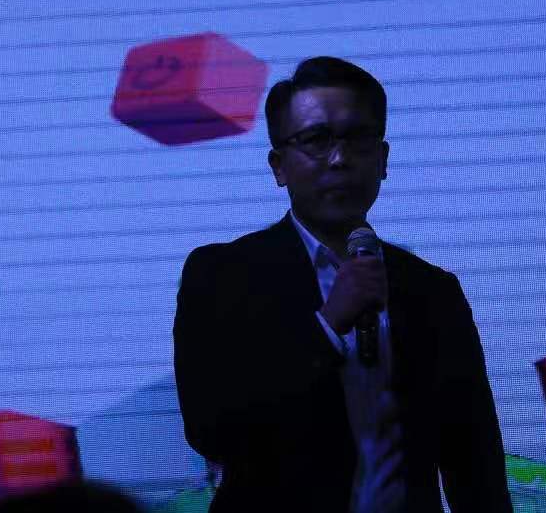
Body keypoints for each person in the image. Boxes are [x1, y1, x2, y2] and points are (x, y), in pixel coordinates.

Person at [173, 57, 513, 513]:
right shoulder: (222, 275)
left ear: (383, 160)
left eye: (358, 139)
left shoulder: (432, 290)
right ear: (278, 166)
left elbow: (474, 457)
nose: (339, 159)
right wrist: (328, 325)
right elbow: (211, 430)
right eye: (316, 140)